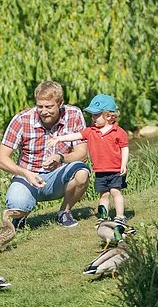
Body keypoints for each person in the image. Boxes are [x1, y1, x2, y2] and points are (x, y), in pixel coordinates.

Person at [0, 80, 91, 228]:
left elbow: (82, 153)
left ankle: (64, 212)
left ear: (60, 103)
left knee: (82, 172)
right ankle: (20, 216)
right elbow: (0, 159)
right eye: (40, 106)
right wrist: (24, 173)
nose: (44, 111)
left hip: (58, 176)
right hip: (28, 177)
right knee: (17, 204)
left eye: (49, 106)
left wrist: (61, 157)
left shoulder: (74, 114)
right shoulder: (22, 119)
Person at [47, 94, 130, 224]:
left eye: (96, 115)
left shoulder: (118, 132)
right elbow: (76, 135)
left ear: (108, 116)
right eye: (92, 115)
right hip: (100, 171)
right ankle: (103, 217)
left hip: (115, 170)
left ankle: (120, 216)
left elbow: (124, 148)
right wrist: (59, 138)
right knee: (104, 195)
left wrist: (124, 164)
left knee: (115, 192)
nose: (93, 118)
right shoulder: (91, 131)